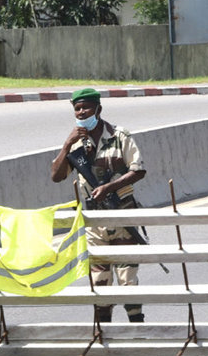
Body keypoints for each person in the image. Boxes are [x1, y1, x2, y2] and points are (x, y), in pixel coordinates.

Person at [50, 88, 147, 324]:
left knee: (128, 282)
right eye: (77, 109)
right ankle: (104, 336)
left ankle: (138, 333)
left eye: (86, 108)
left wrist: (109, 188)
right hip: (94, 222)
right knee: (99, 283)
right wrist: (66, 145)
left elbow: (138, 170)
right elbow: (56, 175)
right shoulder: (75, 144)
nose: (82, 112)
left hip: (122, 215)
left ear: (99, 109)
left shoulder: (118, 135)